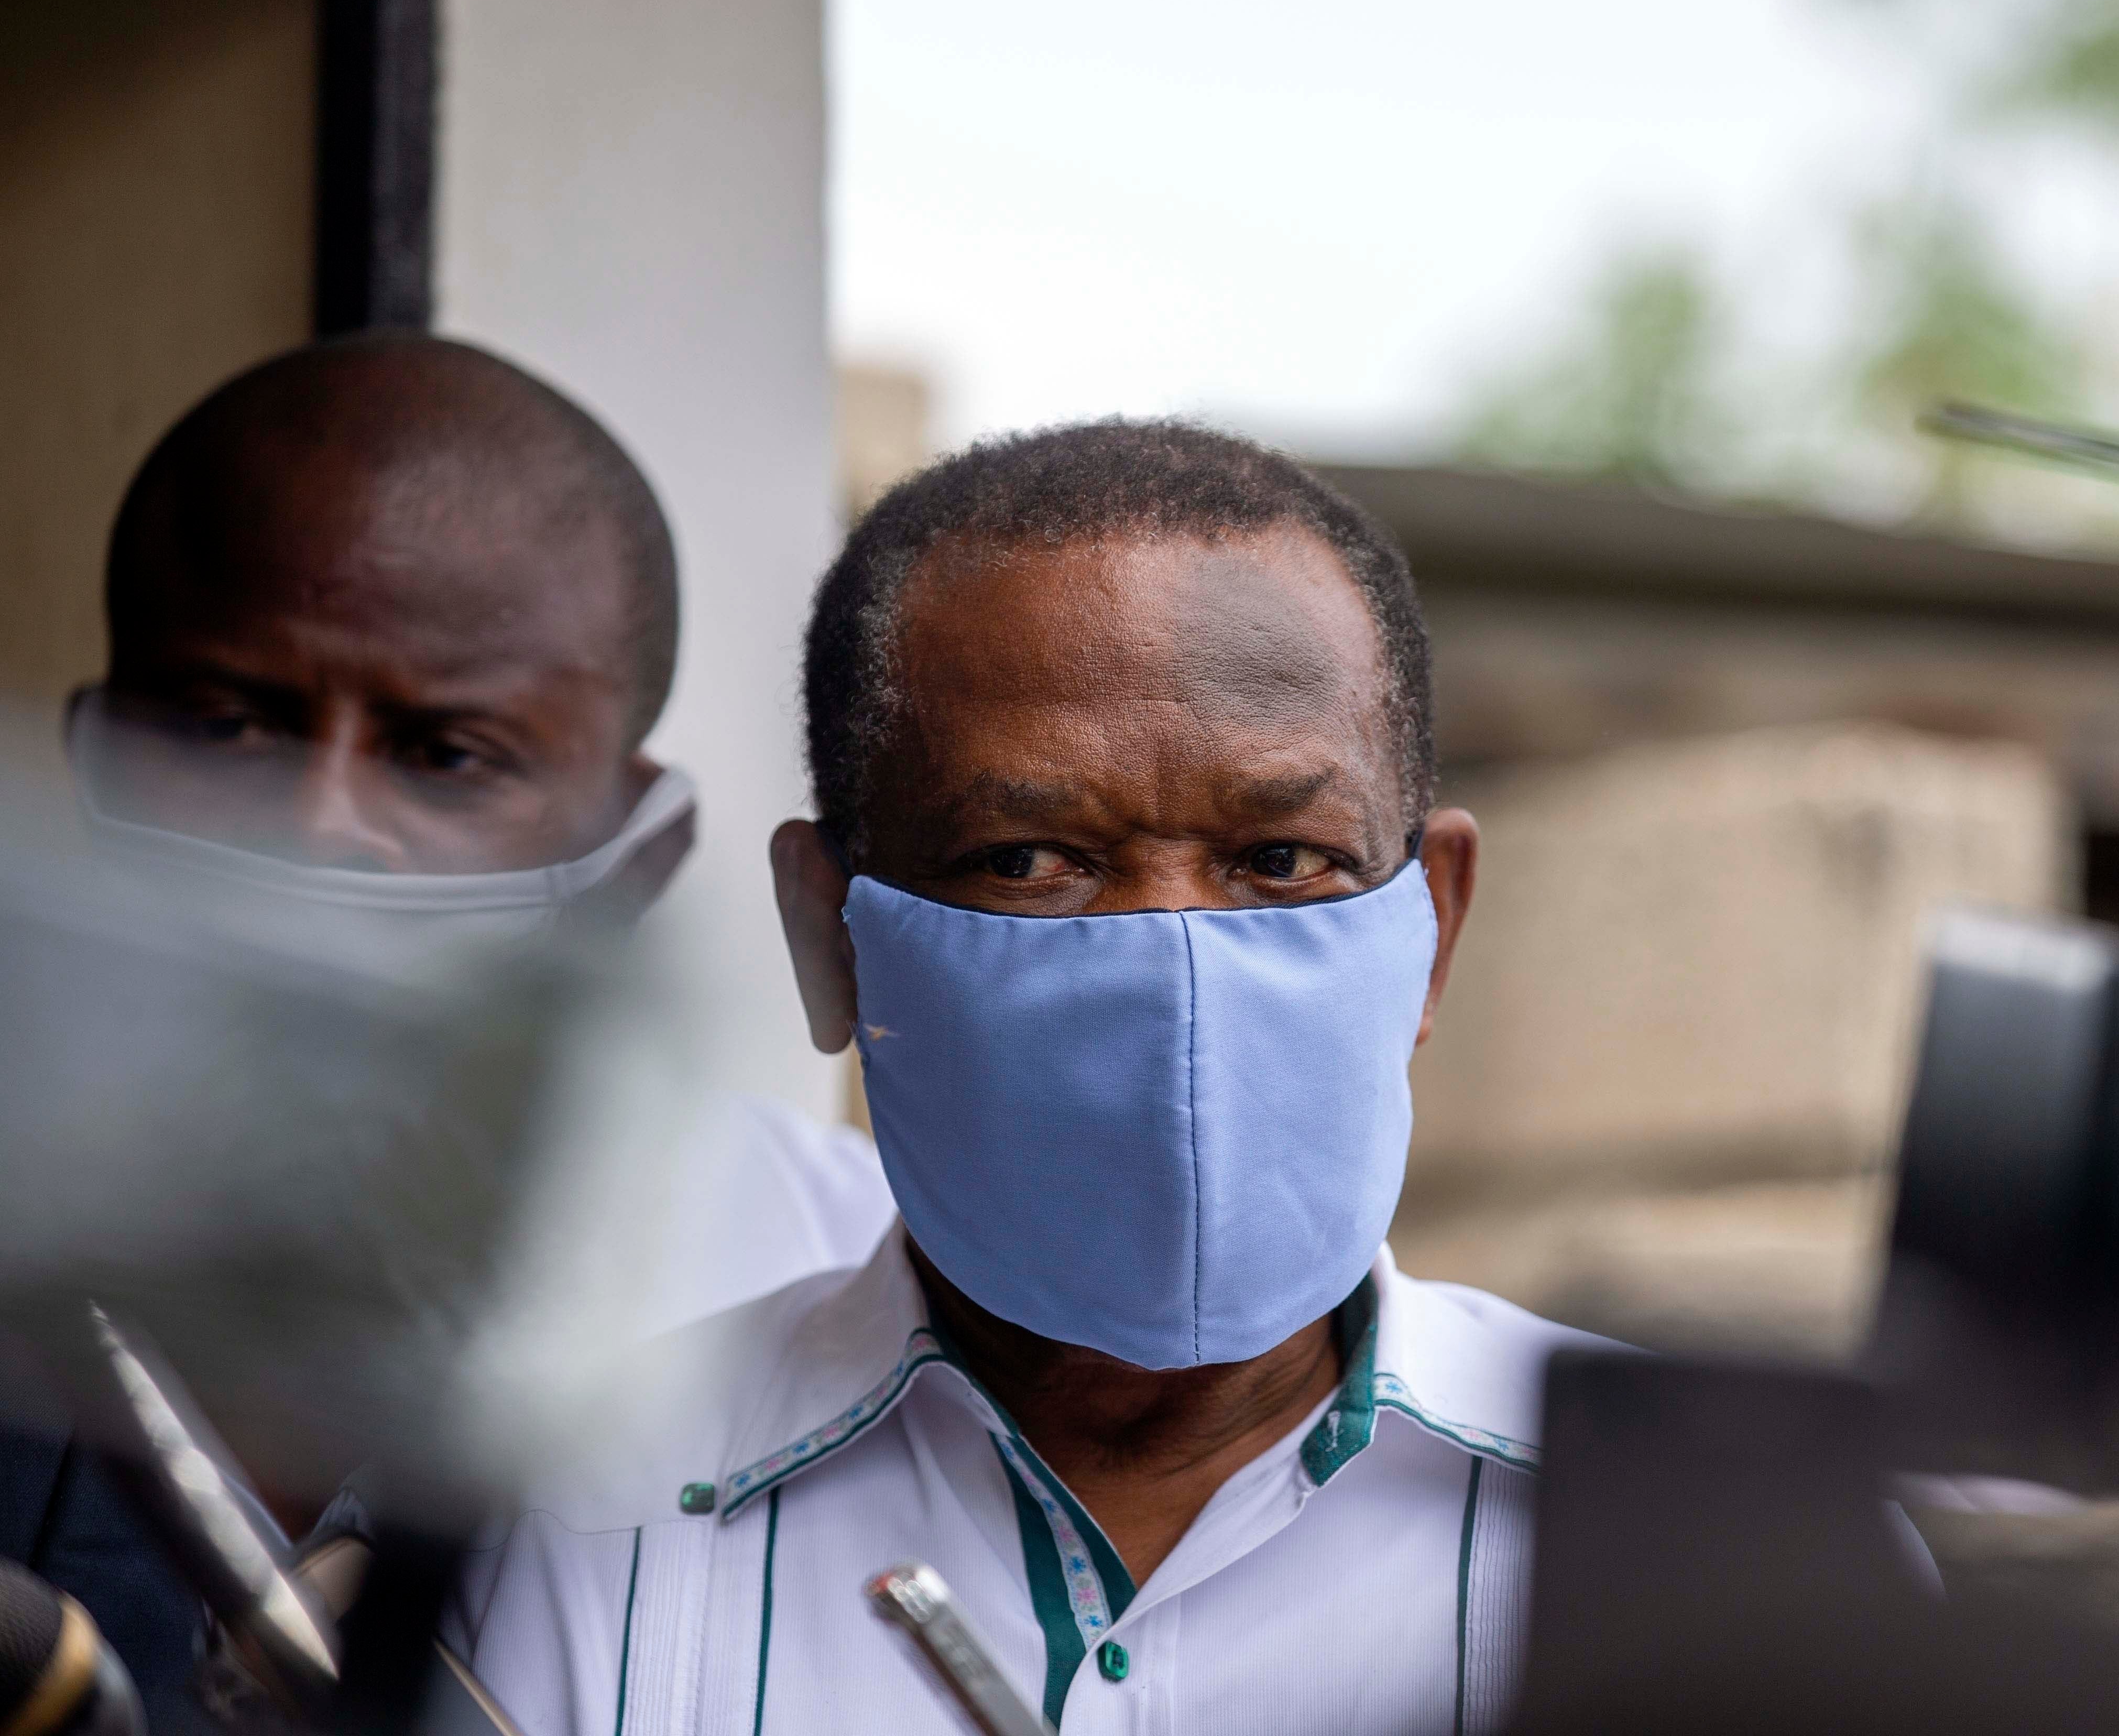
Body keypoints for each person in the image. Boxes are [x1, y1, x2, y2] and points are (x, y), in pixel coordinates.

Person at [450, 420, 1602, 1736]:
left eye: (1281, 860)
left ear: (1431, 933)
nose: (1171, 966)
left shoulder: (1691, 1538)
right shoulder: (549, 1536)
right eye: (1028, 860)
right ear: (834, 942)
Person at [2, 333, 891, 1732]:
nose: (323, 825)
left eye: (447, 755)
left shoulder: (851, 1304)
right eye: (232, 725)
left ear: (635, 855)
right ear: (99, 762)